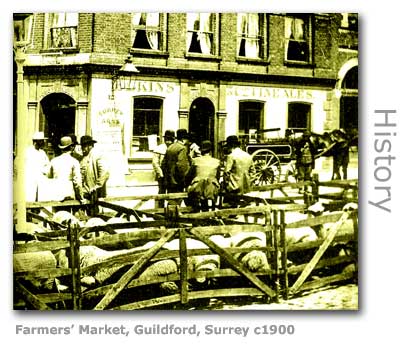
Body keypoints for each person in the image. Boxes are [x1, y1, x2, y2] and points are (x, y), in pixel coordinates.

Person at [185, 140, 221, 212]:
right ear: (210, 151)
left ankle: (196, 213)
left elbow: (188, 176)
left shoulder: (195, 161)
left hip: (197, 189)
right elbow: (217, 177)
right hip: (212, 189)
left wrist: (187, 185)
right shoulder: (217, 162)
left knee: (191, 195)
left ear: (201, 151)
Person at [48, 136, 85, 203]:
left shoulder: (54, 161)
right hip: (68, 194)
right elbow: (77, 182)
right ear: (71, 147)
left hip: (56, 195)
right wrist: (81, 197)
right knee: (67, 213)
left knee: (57, 213)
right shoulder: (74, 161)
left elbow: (49, 177)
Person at [222, 135, 256, 207]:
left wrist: (225, 185)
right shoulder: (248, 155)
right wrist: (249, 183)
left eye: (228, 146)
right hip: (246, 186)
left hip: (234, 187)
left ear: (231, 145)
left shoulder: (231, 156)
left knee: (225, 200)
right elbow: (253, 172)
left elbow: (226, 173)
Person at [80, 135, 110, 215]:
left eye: (84, 146)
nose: (82, 148)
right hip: (87, 192)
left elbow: (105, 172)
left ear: (90, 146)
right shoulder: (84, 157)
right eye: (82, 146)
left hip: (96, 193)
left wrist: (97, 186)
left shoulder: (97, 155)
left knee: (97, 215)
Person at [162, 128, 191, 205]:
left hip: (169, 180)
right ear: (183, 139)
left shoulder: (170, 147)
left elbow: (163, 164)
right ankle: (172, 216)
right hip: (178, 181)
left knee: (172, 200)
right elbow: (182, 166)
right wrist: (186, 179)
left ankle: (170, 215)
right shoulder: (182, 148)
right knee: (177, 201)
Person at [24, 131, 50, 202]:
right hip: (29, 181)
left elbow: (47, 166)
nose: (43, 143)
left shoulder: (42, 153)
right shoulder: (27, 152)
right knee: (29, 199)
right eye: (41, 141)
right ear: (36, 142)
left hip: (40, 181)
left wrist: (44, 172)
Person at [152, 130, 175, 208]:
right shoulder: (159, 148)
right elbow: (155, 163)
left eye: (170, 139)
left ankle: (170, 210)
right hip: (162, 173)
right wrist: (160, 173)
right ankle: (159, 210)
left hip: (171, 174)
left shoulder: (174, 148)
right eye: (167, 139)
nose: (168, 141)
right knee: (161, 192)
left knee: (171, 193)